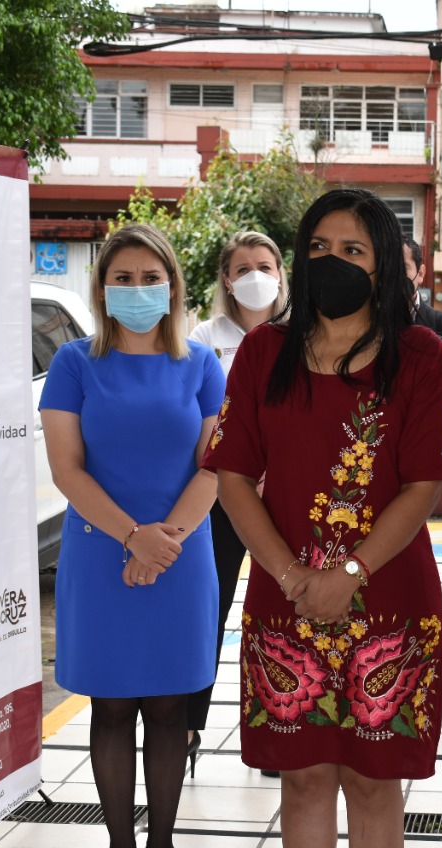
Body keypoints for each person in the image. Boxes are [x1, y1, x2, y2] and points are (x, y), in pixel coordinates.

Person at [202, 188, 442, 848]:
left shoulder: (421, 353)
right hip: (283, 596)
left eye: (353, 249)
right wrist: (293, 574)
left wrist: (349, 571)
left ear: (383, 265)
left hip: (389, 598)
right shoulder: (264, 352)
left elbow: (424, 484)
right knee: (304, 780)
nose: (333, 261)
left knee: (375, 783)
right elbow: (232, 476)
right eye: (318, 248)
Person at [40, 223, 224, 848]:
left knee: (171, 706)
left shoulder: (201, 364)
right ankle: (121, 845)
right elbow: (67, 469)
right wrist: (133, 538)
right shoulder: (73, 363)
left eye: (151, 278)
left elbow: (215, 465)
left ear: (172, 287)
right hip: (100, 554)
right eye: (123, 278)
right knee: (113, 706)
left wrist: (161, 542)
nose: (138, 289)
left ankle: (163, 843)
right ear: (101, 288)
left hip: (182, 552)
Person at [185, 230, 289, 773]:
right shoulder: (206, 337)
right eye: (243, 267)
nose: (255, 276)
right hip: (224, 499)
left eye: (265, 264)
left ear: (280, 272)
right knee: (211, 611)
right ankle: (187, 730)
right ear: (227, 279)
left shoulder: (302, 332)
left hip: (289, 500)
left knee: (283, 620)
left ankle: (281, 727)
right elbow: (205, 421)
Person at [404, 237, 442, 402]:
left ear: (420, 273)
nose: (394, 276)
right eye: (387, 268)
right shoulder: (367, 322)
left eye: (403, 268)